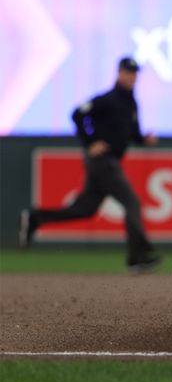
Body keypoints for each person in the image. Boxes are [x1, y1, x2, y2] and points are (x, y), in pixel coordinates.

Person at [18, 57, 161, 273]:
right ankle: (138, 257)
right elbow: (77, 114)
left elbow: (132, 134)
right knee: (131, 202)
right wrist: (90, 142)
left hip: (109, 161)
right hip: (103, 161)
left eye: (135, 73)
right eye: (128, 72)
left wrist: (144, 140)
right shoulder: (108, 99)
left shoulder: (131, 103)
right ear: (119, 73)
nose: (132, 76)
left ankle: (34, 218)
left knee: (84, 209)